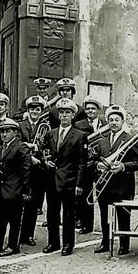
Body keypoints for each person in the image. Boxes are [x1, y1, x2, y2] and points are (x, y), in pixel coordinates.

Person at [93, 105, 138, 256]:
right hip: (104, 184)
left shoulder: (130, 139)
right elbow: (93, 160)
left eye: (117, 120)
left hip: (123, 185)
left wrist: (123, 166)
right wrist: (98, 165)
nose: (114, 122)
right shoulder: (102, 141)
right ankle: (105, 242)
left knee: (123, 215)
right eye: (111, 120)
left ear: (122, 121)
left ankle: (124, 244)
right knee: (105, 215)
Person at [41, 98, 87, 256]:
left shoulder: (80, 135)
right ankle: (53, 242)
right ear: (58, 115)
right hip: (51, 179)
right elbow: (44, 152)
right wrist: (46, 161)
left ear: (73, 115)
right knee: (52, 213)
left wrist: (79, 184)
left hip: (69, 180)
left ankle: (68, 244)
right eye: (61, 113)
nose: (64, 115)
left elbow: (82, 162)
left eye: (67, 112)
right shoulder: (50, 133)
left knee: (68, 215)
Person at [0, 119, 31, 257]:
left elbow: (25, 170)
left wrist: (25, 190)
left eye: (7, 131)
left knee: (14, 220)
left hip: (15, 189)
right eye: (2, 131)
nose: (4, 134)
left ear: (15, 132)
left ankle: (13, 246)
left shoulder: (21, 147)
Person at [18, 95, 50, 246]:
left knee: (34, 204)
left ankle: (28, 235)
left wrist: (36, 148)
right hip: (23, 170)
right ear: (28, 110)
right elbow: (17, 145)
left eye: (38, 109)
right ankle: (15, 235)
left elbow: (48, 147)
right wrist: (30, 158)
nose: (35, 111)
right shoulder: (20, 125)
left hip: (39, 171)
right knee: (19, 204)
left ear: (41, 110)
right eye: (32, 109)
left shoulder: (46, 127)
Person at [73, 96, 104, 235]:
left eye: (93, 108)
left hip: (100, 163)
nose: (90, 111)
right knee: (85, 195)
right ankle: (87, 224)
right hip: (85, 163)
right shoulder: (79, 124)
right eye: (88, 108)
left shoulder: (106, 123)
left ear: (98, 110)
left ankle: (106, 225)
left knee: (103, 194)